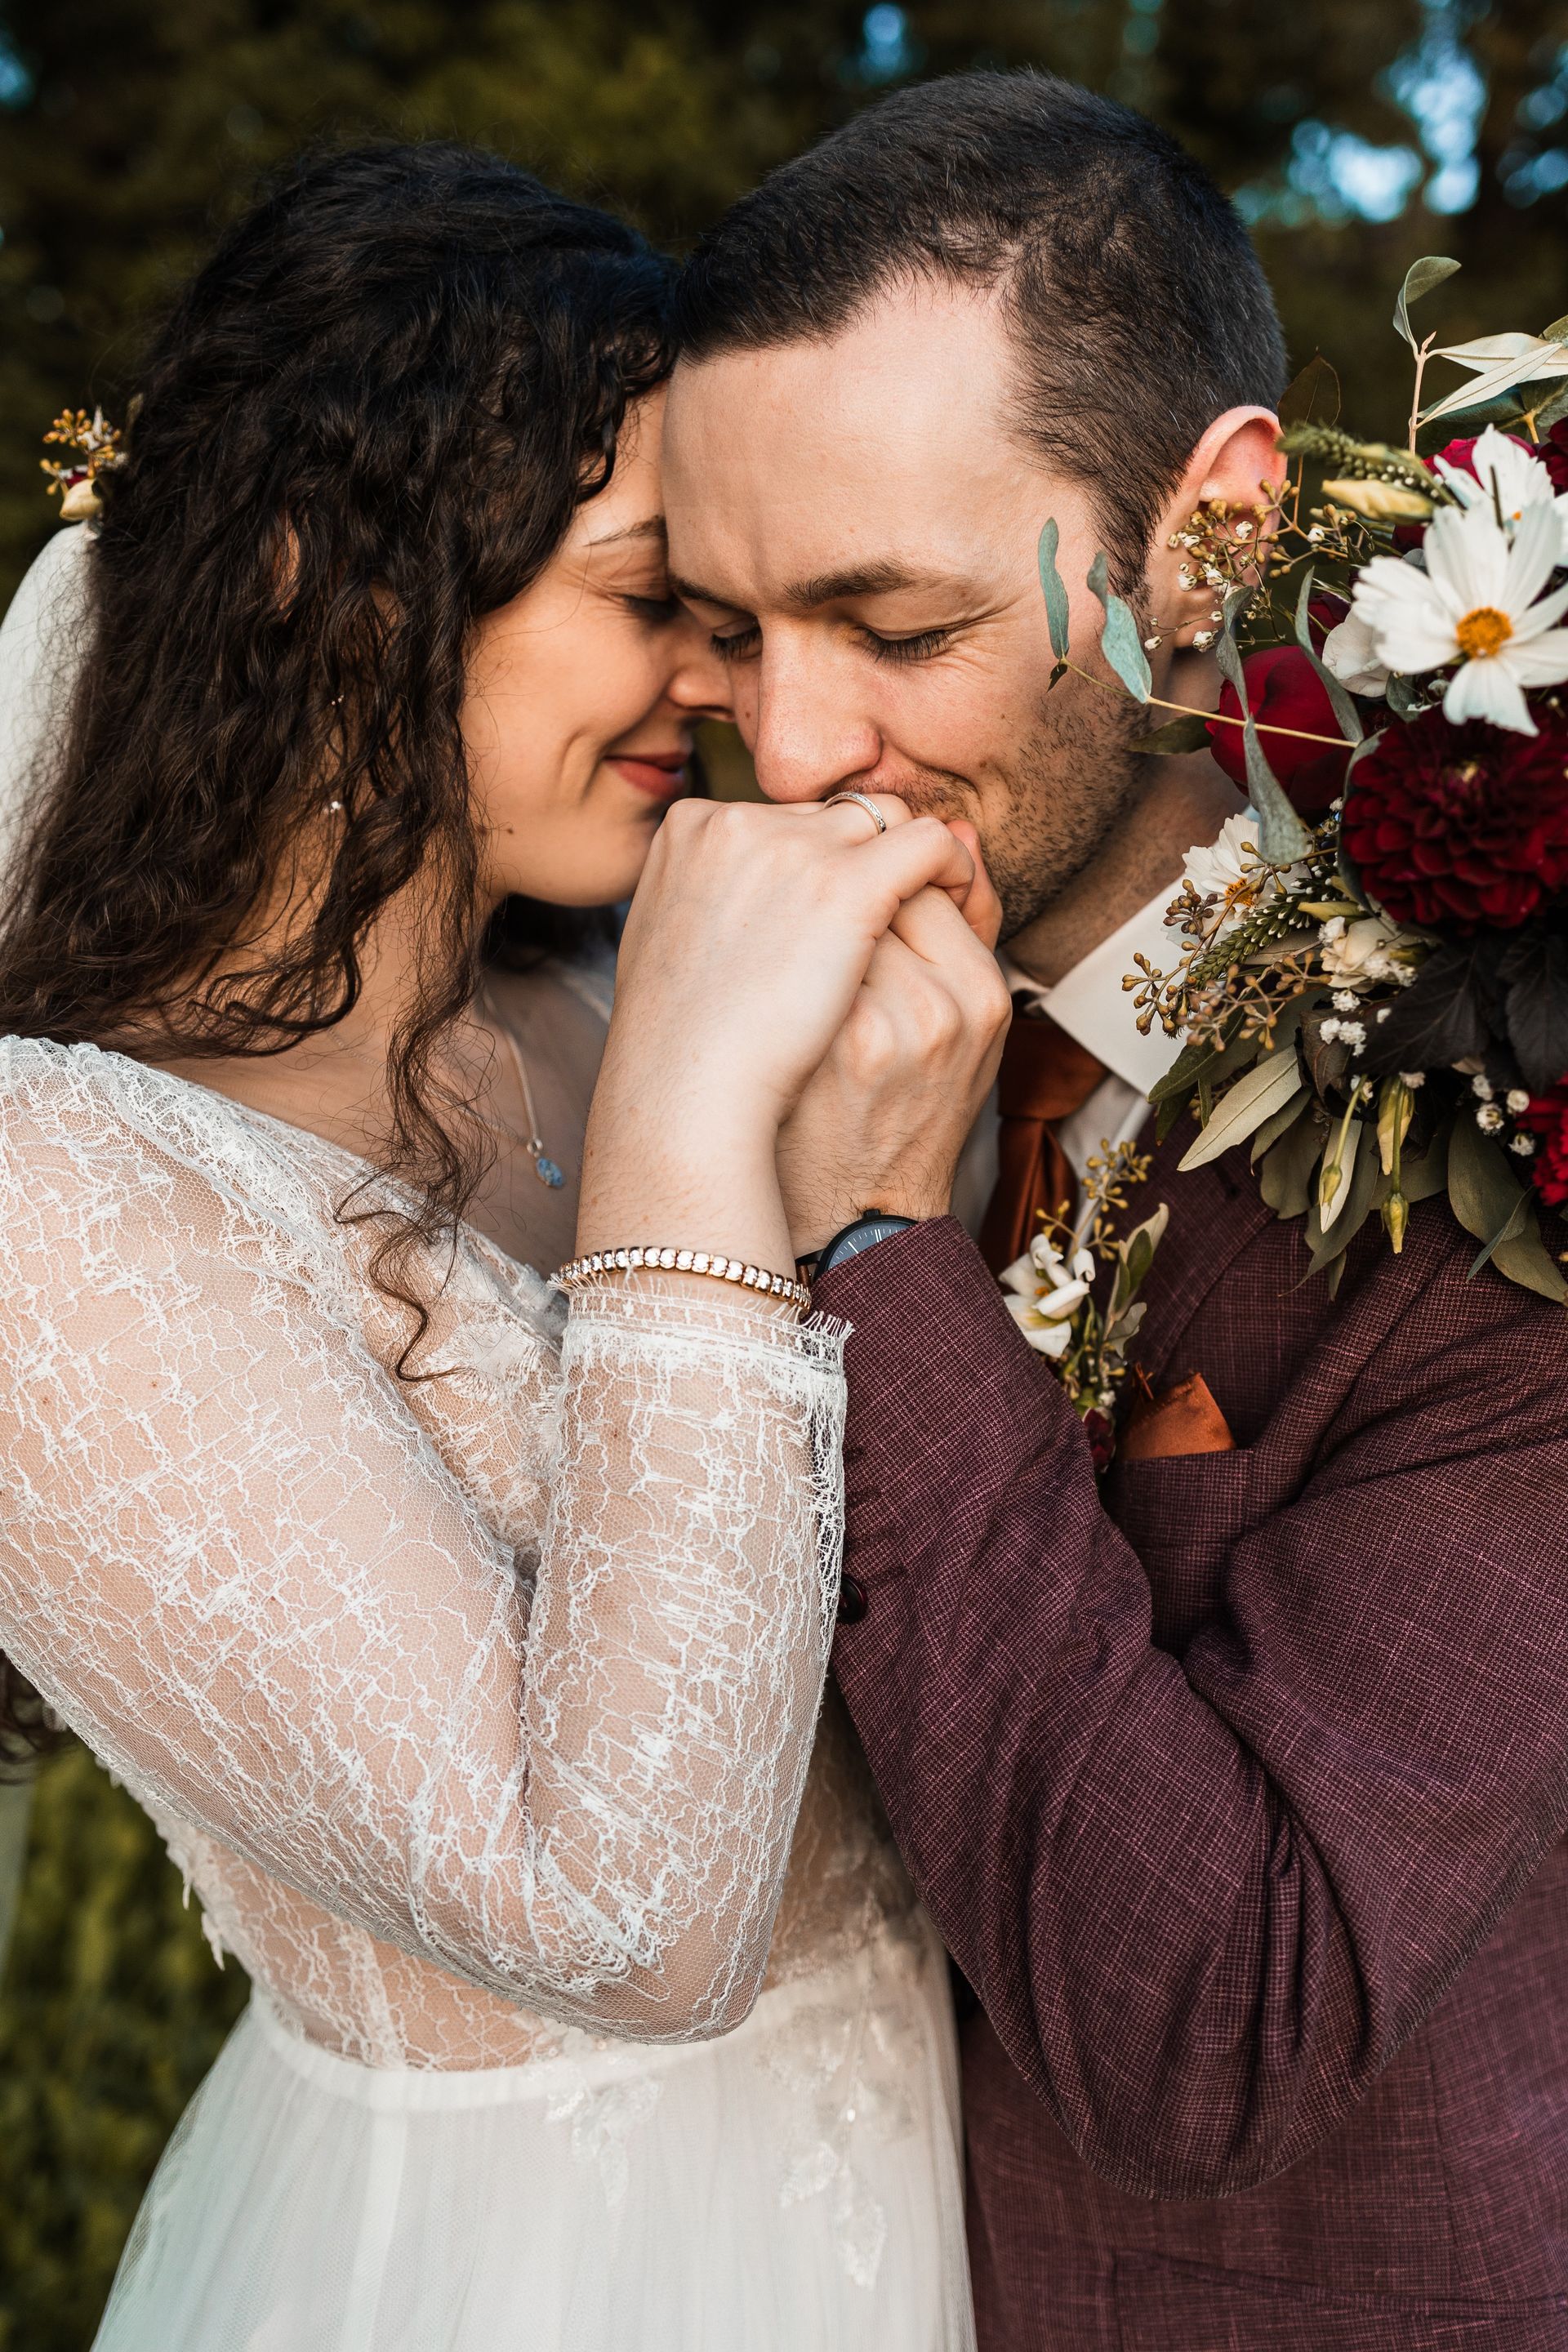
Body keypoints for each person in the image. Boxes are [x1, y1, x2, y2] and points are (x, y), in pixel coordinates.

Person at [0, 144, 1006, 2349]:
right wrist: (682, 1135)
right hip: (562, 2267)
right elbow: (623, 1918)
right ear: (325, 574)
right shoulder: (50, 1197)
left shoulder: (586, 1005)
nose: (723, 687)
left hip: (949, 2188)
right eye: (654, 591)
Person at [665, 70, 1568, 2352]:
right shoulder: (710, 1013)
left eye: (889, 621)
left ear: (1207, 540)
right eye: (734, 626)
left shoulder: (1510, 1141)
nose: (792, 747)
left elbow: (1224, 2022)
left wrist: (884, 1249)